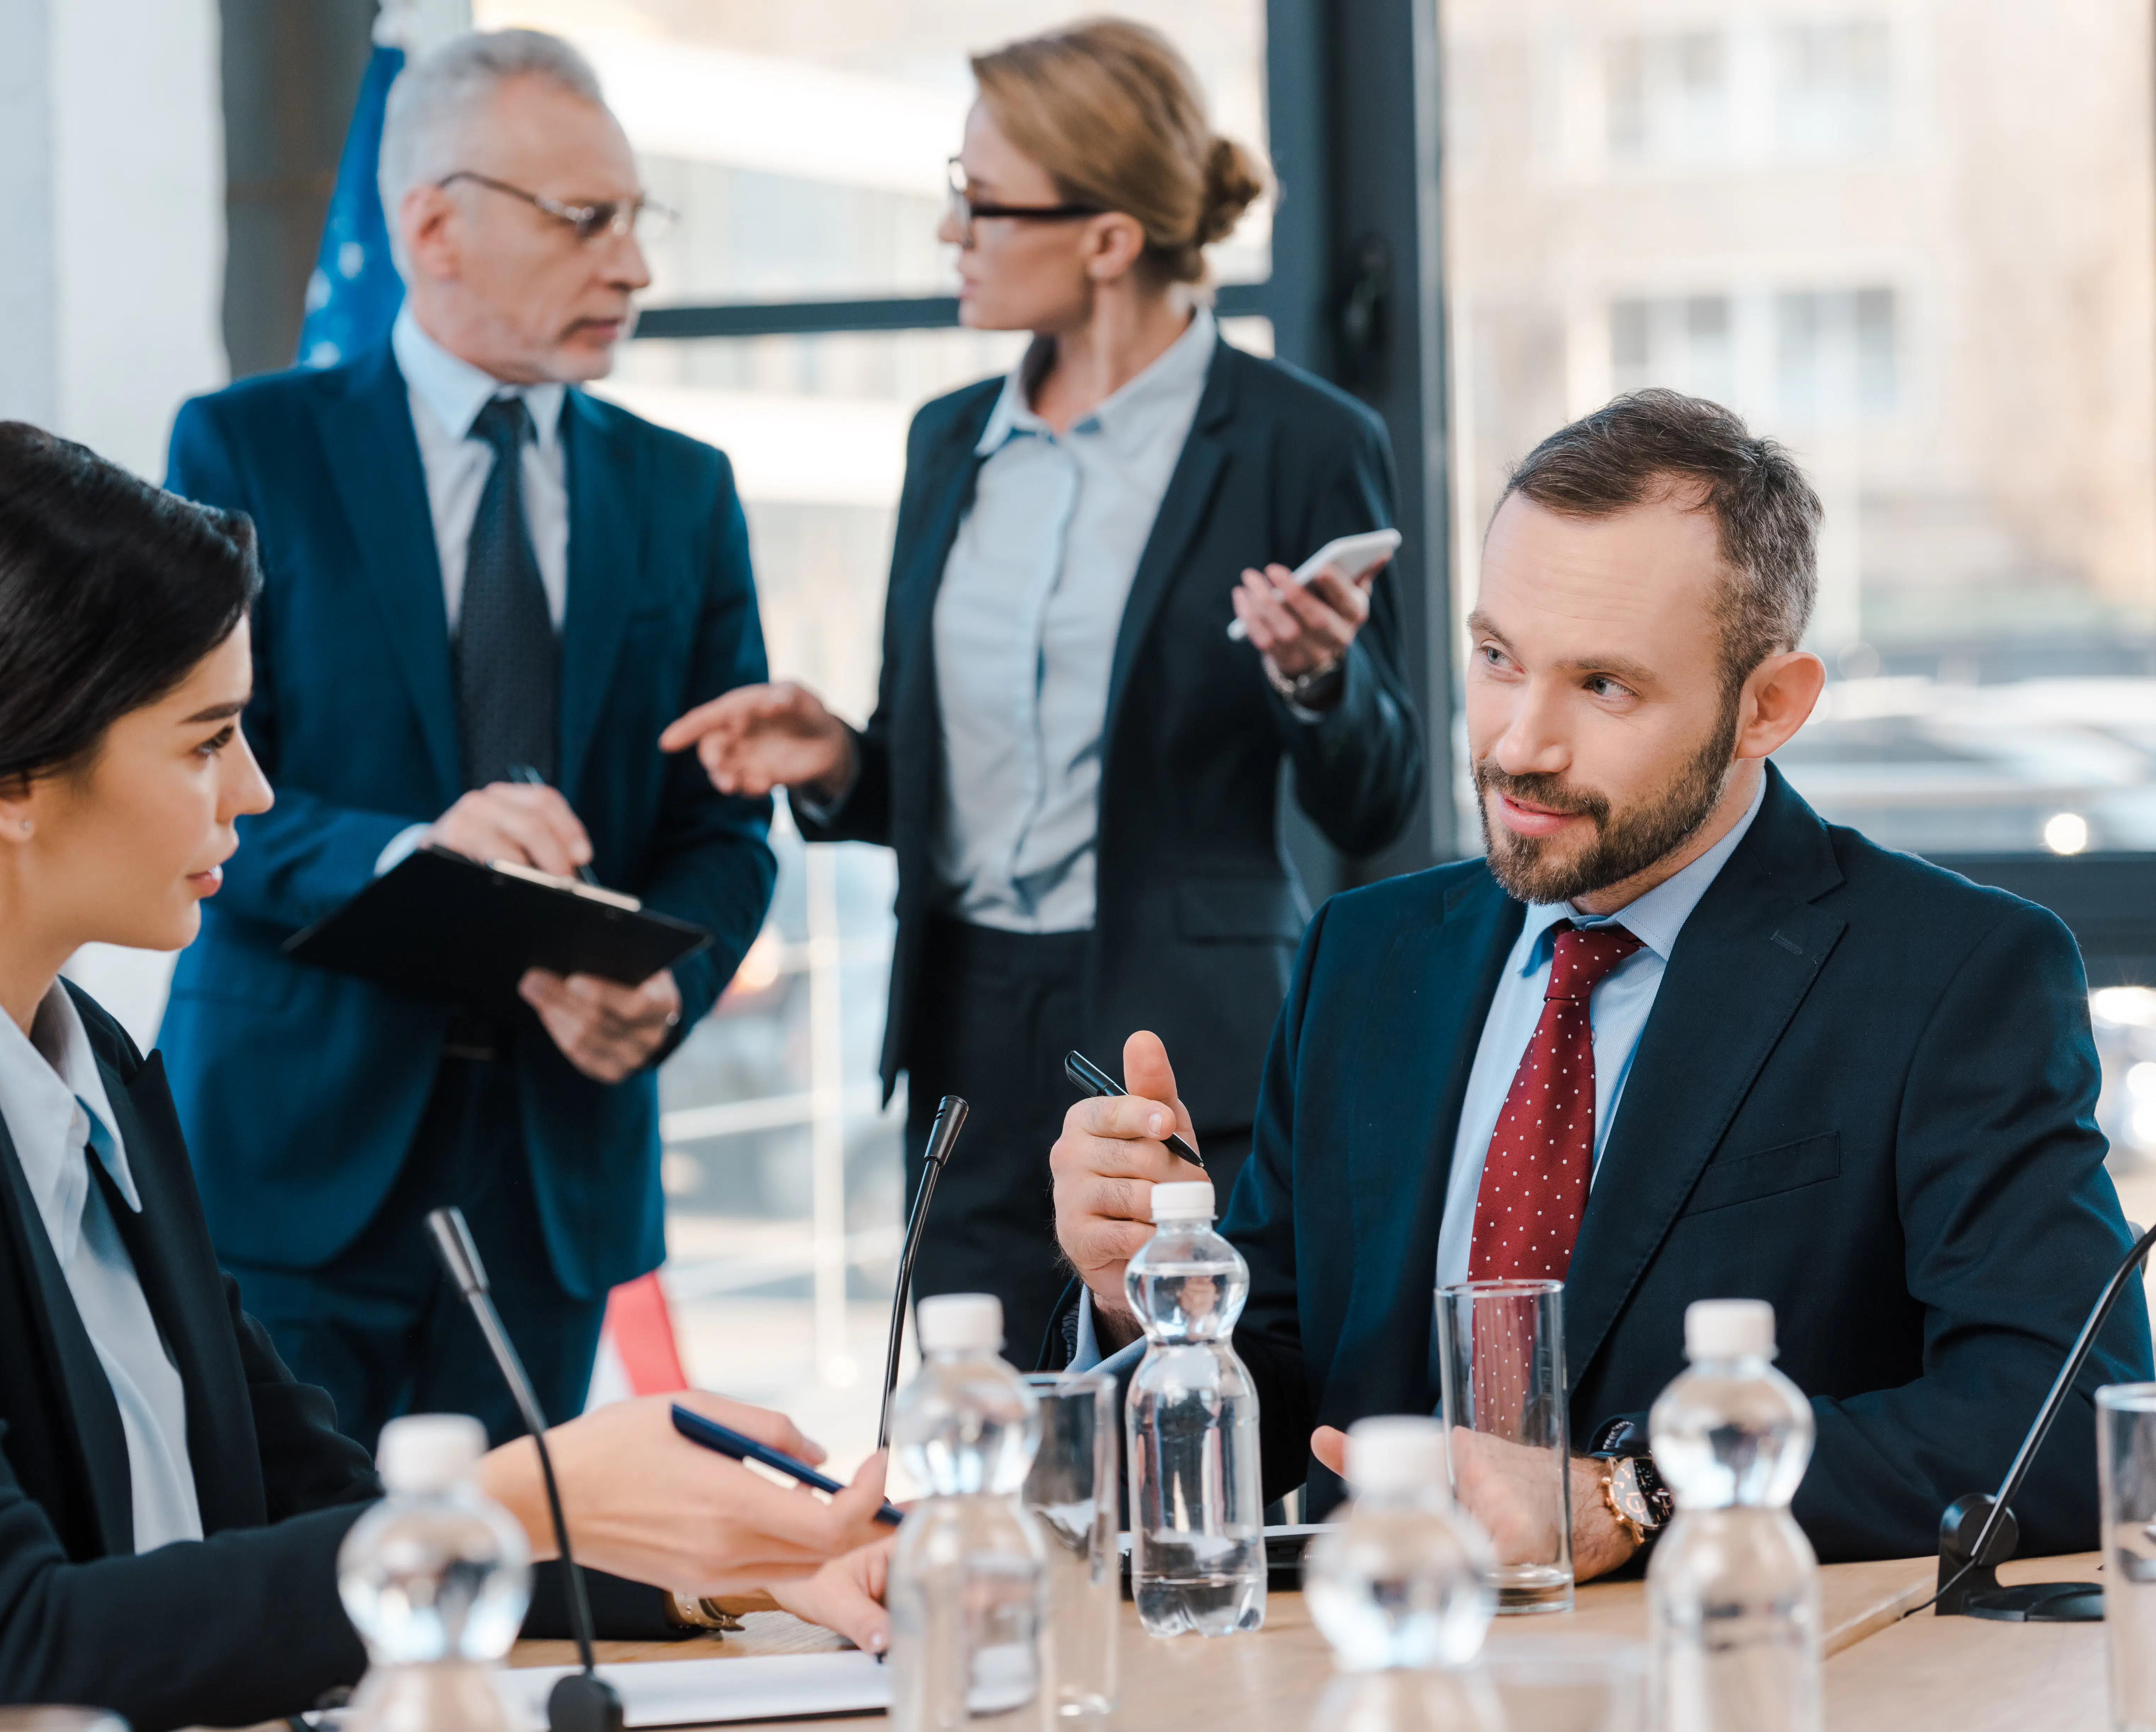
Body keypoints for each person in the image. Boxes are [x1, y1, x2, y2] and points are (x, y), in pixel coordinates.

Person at [0, 425, 887, 1732]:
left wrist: (757, 1562)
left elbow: (313, 1506)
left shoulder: (81, 1053)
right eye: (208, 739)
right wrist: (516, 1493)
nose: (260, 791)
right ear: (10, 780)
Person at [1046, 390, 2153, 1572]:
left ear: (1767, 708)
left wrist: (1637, 1497)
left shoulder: (1951, 975)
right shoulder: (1364, 958)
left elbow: (2071, 1416)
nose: (1522, 743)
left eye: (1605, 687)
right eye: (1496, 659)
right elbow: (1286, 1376)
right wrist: (1148, 1301)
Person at [660, 18, 1424, 1365]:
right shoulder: (949, 442)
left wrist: (1317, 676)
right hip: (964, 1029)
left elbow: (1381, 794)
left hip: (1180, 1046)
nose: (950, 230)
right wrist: (834, 758)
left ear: (1109, 238)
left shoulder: (1304, 442)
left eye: (978, 198)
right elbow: (923, 776)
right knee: (973, 1426)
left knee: (1182, 1423)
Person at [157, 29, 774, 1445]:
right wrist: (407, 853)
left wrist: (668, 987)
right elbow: (182, 776)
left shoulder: (684, 491)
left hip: (552, 1178)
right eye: (587, 221)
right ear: (432, 223)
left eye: (636, 221)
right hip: (294, 1152)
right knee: (281, 1610)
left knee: (506, 1614)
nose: (632, 265)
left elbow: (719, 831)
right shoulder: (246, 452)